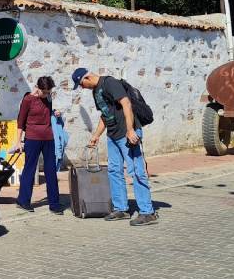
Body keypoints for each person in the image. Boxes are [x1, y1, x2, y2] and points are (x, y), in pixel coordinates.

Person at [72, 68, 158, 226]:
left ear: (87, 77)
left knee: (136, 170)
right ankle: (121, 209)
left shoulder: (110, 83)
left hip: (126, 133)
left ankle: (147, 212)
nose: (82, 87)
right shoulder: (96, 91)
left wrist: (131, 130)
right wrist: (96, 135)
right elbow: (105, 115)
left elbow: (126, 103)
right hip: (112, 135)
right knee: (114, 170)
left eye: (81, 84)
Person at [14, 76, 63, 214]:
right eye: (45, 92)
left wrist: (55, 113)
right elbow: (20, 122)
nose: (47, 94)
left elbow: (46, 114)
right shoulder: (28, 100)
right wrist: (18, 141)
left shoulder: (48, 98)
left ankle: (54, 203)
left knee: (51, 170)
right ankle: (23, 201)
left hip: (48, 138)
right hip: (32, 138)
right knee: (29, 169)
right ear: (38, 88)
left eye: (49, 92)